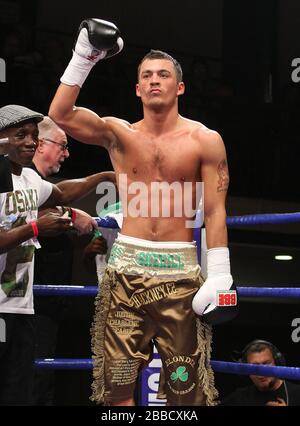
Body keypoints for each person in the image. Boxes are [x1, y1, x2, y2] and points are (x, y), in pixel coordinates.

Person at [49, 18, 237, 406]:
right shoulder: (118, 134)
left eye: (164, 75)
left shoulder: (205, 140)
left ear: (179, 86)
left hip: (182, 276)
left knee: (187, 393)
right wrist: (84, 58)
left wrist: (220, 273)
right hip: (126, 274)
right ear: (137, 88)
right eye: (147, 75)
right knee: (116, 390)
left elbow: (216, 210)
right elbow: (61, 114)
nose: (155, 80)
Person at [0, 104, 115, 405]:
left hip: (21, 307)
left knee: (19, 394)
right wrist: (36, 227)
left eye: (34, 136)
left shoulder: (28, 179)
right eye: (20, 135)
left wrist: (103, 175)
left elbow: (60, 193)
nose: (30, 142)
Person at [31, 116, 94, 405]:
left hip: (46, 303)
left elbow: (53, 200)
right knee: (31, 381)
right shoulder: (17, 177)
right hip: (28, 302)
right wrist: (70, 214)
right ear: (41, 144)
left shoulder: (40, 185)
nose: (67, 153)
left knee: (41, 380)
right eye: (63, 146)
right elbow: (29, 213)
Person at [221, 340, 300, 406]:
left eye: (266, 364)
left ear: (277, 363)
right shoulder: (239, 397)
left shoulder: (297, 393)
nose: (261, 372)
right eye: (254, 367)